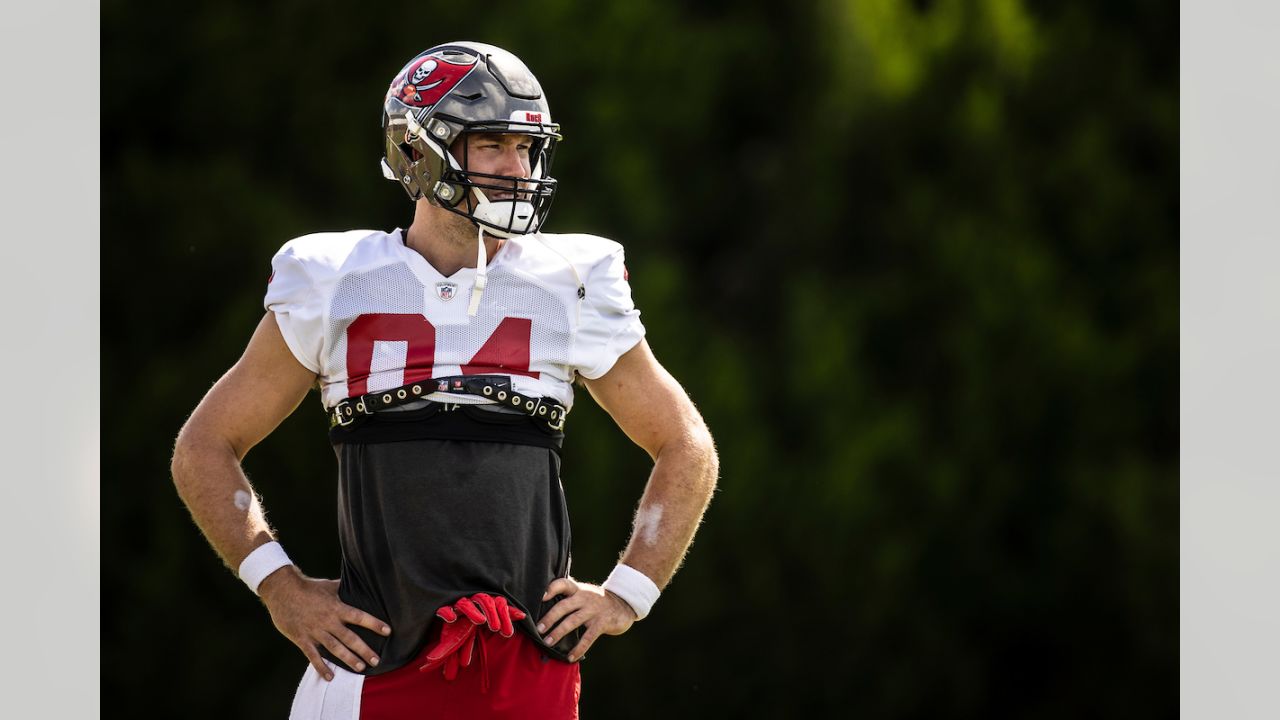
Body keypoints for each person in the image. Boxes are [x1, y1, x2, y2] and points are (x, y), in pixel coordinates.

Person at [170, 41, 719, 719]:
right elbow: (205, 445)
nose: (516, 167)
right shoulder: (337, 277)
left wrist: (628, 592)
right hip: (371, 667)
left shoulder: (570, 281)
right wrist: (277, 585)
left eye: (526, 147)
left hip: (527, 672)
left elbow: (685, 443)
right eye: (491, 143)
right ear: (416, 151)